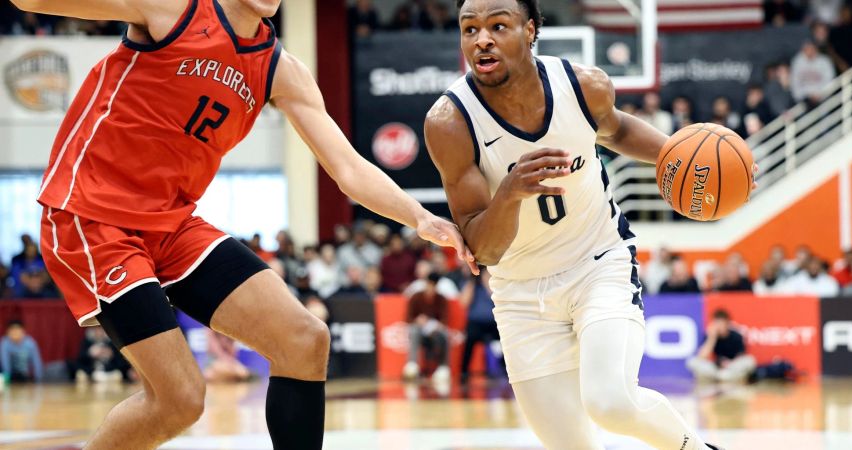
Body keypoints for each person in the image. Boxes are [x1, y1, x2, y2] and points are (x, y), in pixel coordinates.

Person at [11, 0, 475, 448]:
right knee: (180, 401)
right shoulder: (172, 10)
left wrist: (420, 217)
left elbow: (349, 169)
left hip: (171, 224)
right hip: (93, 215)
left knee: (304, 339)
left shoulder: (281, 69)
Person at [424, 1, 742, 448]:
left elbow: (614, 130)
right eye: (469, 29)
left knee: (610, 401)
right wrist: (511, 193)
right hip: (519, 292)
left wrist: (680, 156)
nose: (482, 39)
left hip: (597, 263)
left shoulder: (583, 85)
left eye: (498, 25)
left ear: (530, 30)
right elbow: (485, 250)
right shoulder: (450, 122)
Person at [403, 273, 450, 381]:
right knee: (414, 330)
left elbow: (444, 320)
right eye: (429, 285)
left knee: (445, 334)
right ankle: (412, 366)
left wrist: (438, 325)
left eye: (433, 286)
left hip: (435, 332)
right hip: (419, 331)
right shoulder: (416, 297)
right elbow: (408, 318)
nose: (431, 288)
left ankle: (443, 368)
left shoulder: (441, 299)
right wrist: (417, 320)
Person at [687, 310, 756, 383]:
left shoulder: (736, 336)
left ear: (727, 323)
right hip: (716, 369)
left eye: (721, 323)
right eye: (717, 323)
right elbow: (702, 357)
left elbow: (741, 355)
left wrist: (729, 363)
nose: (719, 326)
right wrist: (712, 338)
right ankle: (720, 378)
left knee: (750, 360)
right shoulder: (711, 336)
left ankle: (723, 378)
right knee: (692, 362)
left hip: (732, 367)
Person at [458, 268, 501, 384]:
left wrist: (486, 280)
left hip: (493, 323)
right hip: (475, 323)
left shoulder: (493, 283)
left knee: (502, 342)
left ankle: (502, 371)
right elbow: (464, 302)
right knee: (469, 339)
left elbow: (495, 297)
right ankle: (464, 372)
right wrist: (473, 281)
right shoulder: (469, 284)